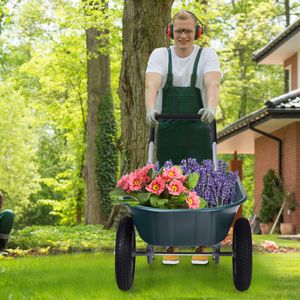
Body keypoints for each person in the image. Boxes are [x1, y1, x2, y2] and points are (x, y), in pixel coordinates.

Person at [145, 9, 221, 265]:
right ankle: (171, 242)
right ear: (171, 32)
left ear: (197, 32)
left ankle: (202, 243)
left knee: (202, 181)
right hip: (167, 130)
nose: (184, 35)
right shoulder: (160, 55)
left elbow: (212, 83)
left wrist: (211, 107)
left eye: (188, 30)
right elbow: (152, 84)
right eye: (179, 31)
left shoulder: (206, 55)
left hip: (199, 129)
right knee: (168, 182)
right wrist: (150, 108)